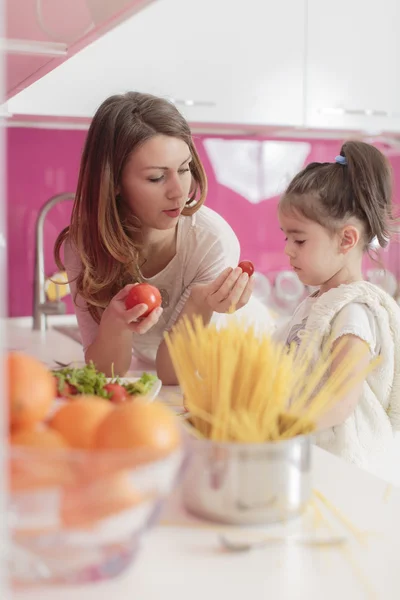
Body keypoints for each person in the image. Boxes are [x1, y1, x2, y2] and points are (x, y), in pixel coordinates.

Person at [54, 92, 253, 385]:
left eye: (184, 169)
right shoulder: (84, 247)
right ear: (114, 182)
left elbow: (173, 375)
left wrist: (200, 302)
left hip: (228, 369)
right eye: (157, 177)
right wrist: (115, 325)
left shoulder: (212, 241)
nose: (179, 191)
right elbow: (106, 375)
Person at [275, 140, 400, 476]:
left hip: (343, 468)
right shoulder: (318, 303)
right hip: (310, 458)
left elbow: (339, 401)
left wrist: (277, 425)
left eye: (298, 239)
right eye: (285, 237)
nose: (288, 250)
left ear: (346, 239)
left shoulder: (354, 312)